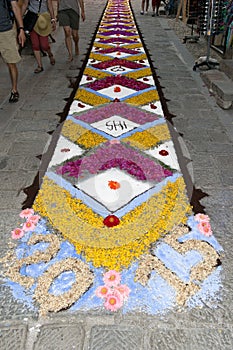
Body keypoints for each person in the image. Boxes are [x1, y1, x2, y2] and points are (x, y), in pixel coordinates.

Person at [0, 0, 26, 102]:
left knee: (11, 62)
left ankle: (14, 90)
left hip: (6, 29)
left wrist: (21, 29)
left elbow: (15, 6)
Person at [21, 0, 56, 73]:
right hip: (32, 19)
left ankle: (50, 53)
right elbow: (25, 5)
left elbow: (49, 5)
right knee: (35, 44)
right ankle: (40, 66)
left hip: (43, 20)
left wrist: (53, 18)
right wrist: (20, 19)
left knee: (44, 45)